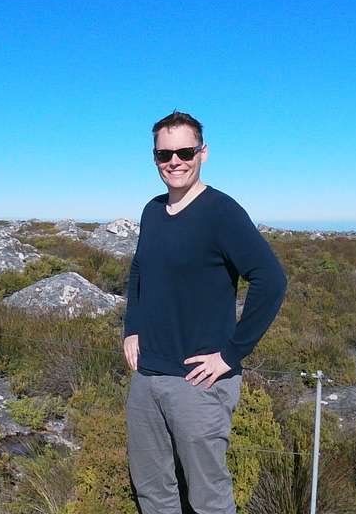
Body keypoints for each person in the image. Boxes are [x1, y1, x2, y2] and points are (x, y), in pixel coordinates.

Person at [123, 111, 287, 514]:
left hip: (199, 383)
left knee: (208, 497)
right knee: (152, 488)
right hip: (148, 375)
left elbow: (271, 280)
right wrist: (132, 328)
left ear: (203, 152)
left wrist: (230, 355)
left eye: (184, 151)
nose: (175, 161)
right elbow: (140, 268)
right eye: (165, 154)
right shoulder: (152, 210)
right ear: (155, 157)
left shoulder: (221, 212)